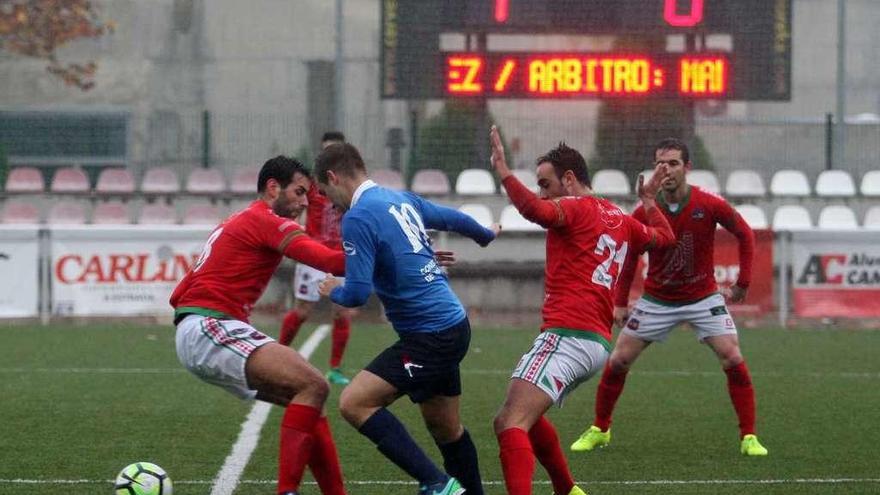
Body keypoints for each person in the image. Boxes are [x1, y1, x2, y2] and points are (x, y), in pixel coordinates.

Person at [487, 125, 676, 495]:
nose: (543, 191)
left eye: (546, 183)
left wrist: (505, 173)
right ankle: (567, 489)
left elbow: (532, 210)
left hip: (566, 335)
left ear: (569, 179)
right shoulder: (621, 218)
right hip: (595, 342)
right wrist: (650, 202)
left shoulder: (573, 208)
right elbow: (665, 239)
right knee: (523, 415)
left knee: (509, 422)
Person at [314, 142, 500, 495]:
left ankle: (436, 484)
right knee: (446, 429)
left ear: (333, 177)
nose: (329, 203)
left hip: (429, 337)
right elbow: (451, 218)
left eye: (325, 193)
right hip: (453, 325)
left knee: (354, 402)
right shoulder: (399, 199)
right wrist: (485, 235)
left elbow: (355, 294)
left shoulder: (357, 217)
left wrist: (332, 289)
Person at [569, 137, 768, 457]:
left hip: (703, 297)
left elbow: (745, 233)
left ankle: (749, 437)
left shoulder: (709, 203)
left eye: (673, 162)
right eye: (660, 163)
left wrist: (742, 283)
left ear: (687, 168)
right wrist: (619, 301)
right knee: (618, 360)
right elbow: (630, 255)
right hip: (657, 300)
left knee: (731, 356)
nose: (666, 169)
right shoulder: (643, 210)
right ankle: (600, 429)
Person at [170, 156, 348, 495]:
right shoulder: (266, 220)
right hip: (209, 325)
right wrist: (397, 254)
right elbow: (328, 260)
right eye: (298, 192)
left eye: (307, 197)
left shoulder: (240, 219)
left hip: (203, 328)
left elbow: (181, 291)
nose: (303, 203)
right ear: (272, 187)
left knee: (310, 399)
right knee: (313, 384)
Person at [280, 131, 357, 385]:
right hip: (313, 254)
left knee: (342, 313)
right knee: (302, 311)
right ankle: (277, 357)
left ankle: (335, 369)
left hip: (341, 256)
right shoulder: (311, 185)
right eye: (325, 150)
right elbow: (291, 205)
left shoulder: (350, 185)